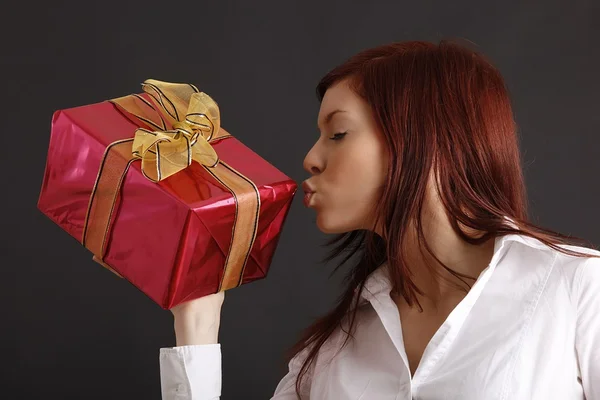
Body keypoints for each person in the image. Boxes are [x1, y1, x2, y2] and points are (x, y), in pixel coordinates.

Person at [157, 41, 600, 399]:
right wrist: (197, 322)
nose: (311, 158)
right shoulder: (329, 353)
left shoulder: (578, 287)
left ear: (426, 138)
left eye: (338, 134)